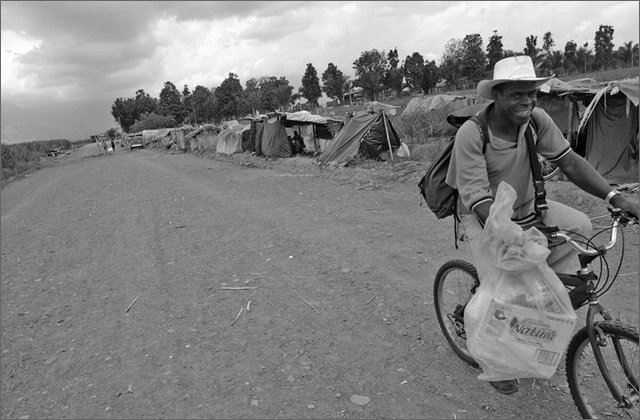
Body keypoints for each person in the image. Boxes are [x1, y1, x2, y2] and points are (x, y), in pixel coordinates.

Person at [445, 55, 639, 395]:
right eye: (517, 94)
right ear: (498, 95)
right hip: (483, 217)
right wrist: (507, 233)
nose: (527, 101)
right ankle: (493, 360)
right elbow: (476, 198)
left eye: (532, 92)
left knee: (578, 226)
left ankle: (540, 307)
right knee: (500, 292)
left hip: (528, 206)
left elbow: (571, 163)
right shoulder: (471, 134)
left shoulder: (536, 121)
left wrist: (614, 197)